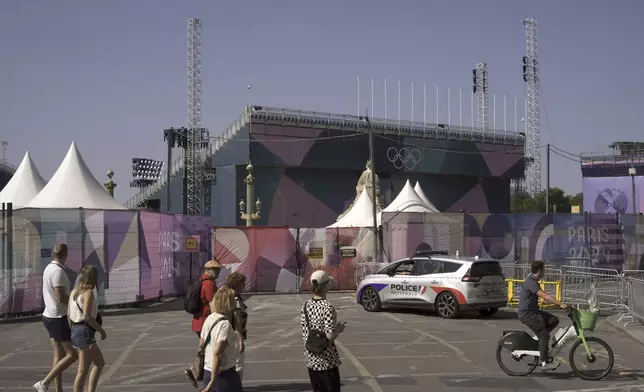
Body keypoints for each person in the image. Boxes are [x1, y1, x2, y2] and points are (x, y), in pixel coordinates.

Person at [34, 244, 79, 392]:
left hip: (49, 316)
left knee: (59, 356)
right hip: (57, 318)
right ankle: (44, 382)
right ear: (64, 256)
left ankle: (58, 389)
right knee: (72, 355)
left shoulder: (48, 268)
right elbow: (60, 295)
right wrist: (74, 304)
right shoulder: (58, 272)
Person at [517, 261, 568, 371]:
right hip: (527, 314)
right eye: (544, 270)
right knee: (544, 335)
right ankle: (545, 363)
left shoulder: (533, 280)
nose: (544, 273)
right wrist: (560, 304)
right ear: (539, 271)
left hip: (534, 311)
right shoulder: (531, 282)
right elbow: (544, 295)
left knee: (553, 320)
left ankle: (538, 339)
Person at [301, 270, 346, 392]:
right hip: (326, 361)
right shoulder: (327, 307)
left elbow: (305, 331)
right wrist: (338, 329)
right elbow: (330, 335)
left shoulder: (306, 305)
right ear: (325, 286)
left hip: (311, 358)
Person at [68, 265, 107, 392]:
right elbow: (87, 316)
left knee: (99, 363)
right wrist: (101, 330)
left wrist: (74, 332)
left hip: (75, 329)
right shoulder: (88, 293)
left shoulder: (74, 293)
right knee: (82, 371)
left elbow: (69, 316)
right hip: (84, 331)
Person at [199, 287, 243, 392]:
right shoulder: (225, 324)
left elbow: (201, 345)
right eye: (234, 299)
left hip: (208, 370)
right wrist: (213, 381)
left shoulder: (210, 318)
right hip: (223, 374)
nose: (236, 301)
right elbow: (217, 353)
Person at [225, 272, 248, 380]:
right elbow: (237, 320)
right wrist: (241, 340)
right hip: (233, 335)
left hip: (223, 333)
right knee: (238, 365)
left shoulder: (223, 294)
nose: (244, 286)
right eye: (243, 283)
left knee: (226, 363)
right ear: (237, 284)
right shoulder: (235, 298)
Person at [192, 260, 222, 338]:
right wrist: (217, 319)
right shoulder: (209, 283)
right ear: (207, 270)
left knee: (205, 345)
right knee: (210, 346)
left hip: (199, 319)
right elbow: (212, 302)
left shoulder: (201, 281)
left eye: (218, 270)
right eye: (215, 270)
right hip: (205, 319)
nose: (218, 272)